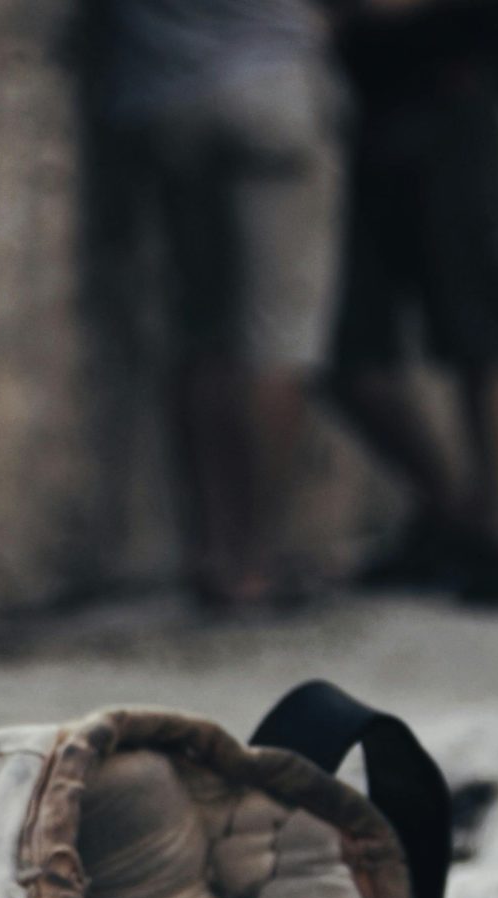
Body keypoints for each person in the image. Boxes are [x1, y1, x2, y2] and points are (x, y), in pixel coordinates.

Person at [98, 0, 346, 615]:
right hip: (268, 92)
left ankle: (210, 554)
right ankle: (256, 560)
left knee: (200, 332)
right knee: (279, 338)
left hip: (162, 102)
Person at [327, 0, 498, 608]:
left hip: (450, 103)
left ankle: (493, 533)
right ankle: (451, 515)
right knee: (345, 353)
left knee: (479, 331)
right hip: (355, 115)